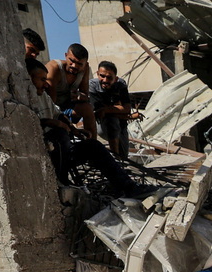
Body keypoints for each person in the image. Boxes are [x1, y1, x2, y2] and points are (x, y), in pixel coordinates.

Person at [25, 58, 149, 198]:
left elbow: (58, 114)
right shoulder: (24, 100)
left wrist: (74, 130)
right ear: (29, 78)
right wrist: (56, 124)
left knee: (93, 145)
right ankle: (62, 181)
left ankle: (129, 187)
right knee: (59, 133)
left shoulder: (43, 96)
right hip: (46, 153)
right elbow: (31, 124)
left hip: (63, 153)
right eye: (42, 79)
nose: (46, 84)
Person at [45, 43, 96, 142]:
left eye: (79, 64)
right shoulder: (55, 68)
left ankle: (93, 145)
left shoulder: (84, 70)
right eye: (71, 61)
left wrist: (80, 97)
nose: (74, 66)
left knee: (87, 108)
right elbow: (50, 104)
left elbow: (85, 95)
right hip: (52, 108)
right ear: (66, 56)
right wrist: (68, 125)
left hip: (67, 107)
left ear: (85, 64)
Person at [89, 61, 139, 158]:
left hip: (121, 124)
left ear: (115, 79)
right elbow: (98, 113)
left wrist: (106, 110)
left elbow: (127, 108)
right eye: (102, 76)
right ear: (97, 74)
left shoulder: (121, 84)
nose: (105, 80)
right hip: (102, 125)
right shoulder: (93, 86)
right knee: (112, 121)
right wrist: (127, 115)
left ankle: (119, 160)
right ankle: (115, 158)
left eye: (109, 78)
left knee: (124, 156)